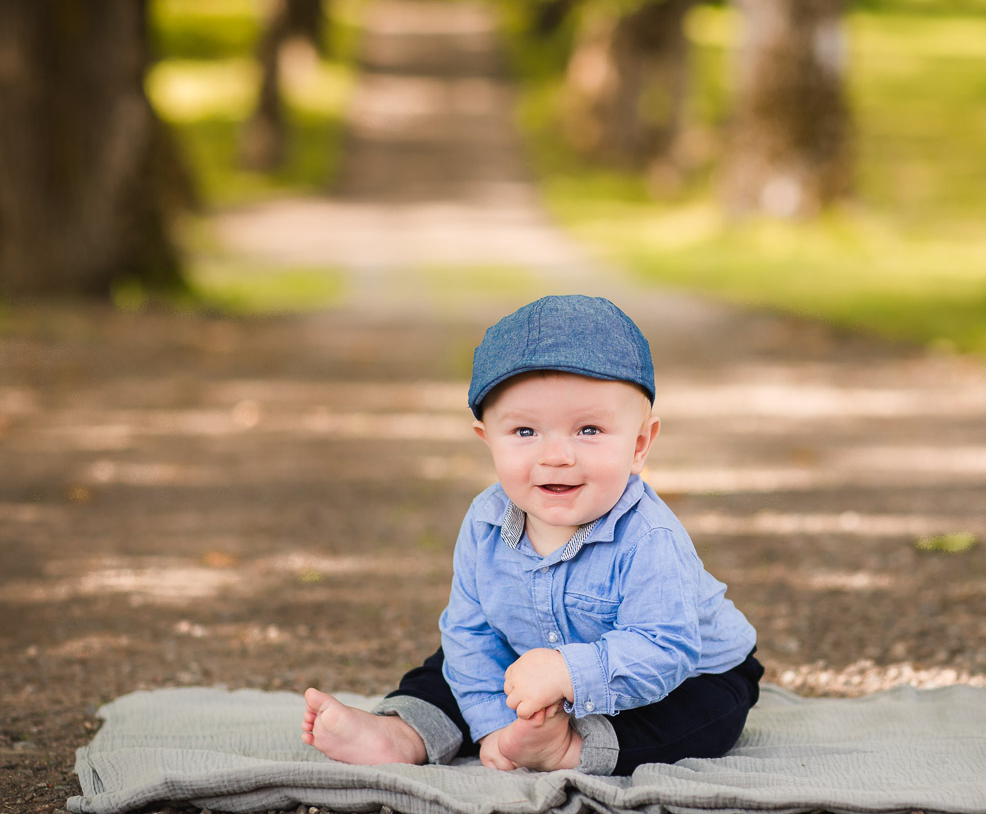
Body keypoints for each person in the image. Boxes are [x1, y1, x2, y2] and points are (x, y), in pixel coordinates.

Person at [300, 295, 762, 775]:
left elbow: (665, 648)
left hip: (682, 668)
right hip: (527, 653)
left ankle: (568, 749)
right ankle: (400, 732)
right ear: (489, 442)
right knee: (451, 663)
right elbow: (471, 632)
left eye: (588, 430)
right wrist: (495, 727)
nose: (556, 456)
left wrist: (568, 673)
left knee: (704, 718)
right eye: (525, 432)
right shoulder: (485, 523)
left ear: (640, 444)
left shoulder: (649, 536)